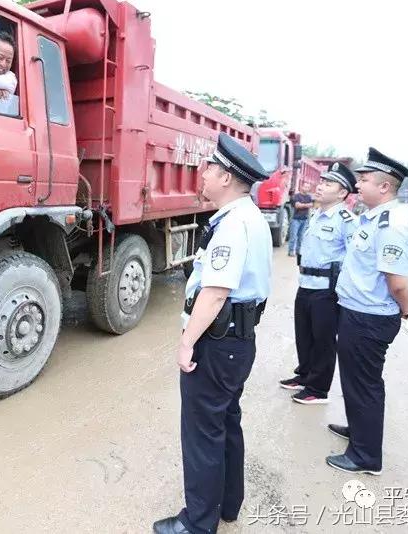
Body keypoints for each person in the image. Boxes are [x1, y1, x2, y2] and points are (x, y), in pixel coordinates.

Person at [153, 133, 271, 534]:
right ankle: (228, 504)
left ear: (225, 177)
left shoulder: (233, 224)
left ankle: (197, 524)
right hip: (238, 341)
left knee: (203, 432)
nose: (202, 175)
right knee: (225, 422)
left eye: (209, 169)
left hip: (217, 343)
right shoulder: (250, 218)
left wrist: (187, 342)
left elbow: (216, 291)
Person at [326, 147, 408, 475]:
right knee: (355, 381)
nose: (358, 185)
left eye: (364, 180)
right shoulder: (373, 218)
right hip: (356, 312)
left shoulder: (391, 225)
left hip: (369, 319)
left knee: (364, 384)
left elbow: (397, 284)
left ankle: (366, 457)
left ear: (384, 186)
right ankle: (360, 432)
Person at [279, 163, 358, 404]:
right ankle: (304, 375)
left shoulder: (346, 220)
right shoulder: (317, 214)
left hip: (327, 290)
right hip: (306, 284)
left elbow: (354, 258)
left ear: (343, 192)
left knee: (323, 339)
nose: (320, 186)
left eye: (328, 183)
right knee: (304, 334)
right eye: (321, 182)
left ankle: (318, 388)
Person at [288, 182, 314, 257]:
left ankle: (298, 251)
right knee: (293, 236)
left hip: (304, 219)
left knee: (301, 237)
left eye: (308, 187)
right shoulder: (296, 196)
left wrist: (302, 205)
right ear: (302, 187)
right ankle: (291, 251)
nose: (306, 188)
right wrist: (307, 205)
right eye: (305, 187)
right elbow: (297, 205)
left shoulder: (309, 197)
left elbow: (312, 205)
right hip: (295, 219)